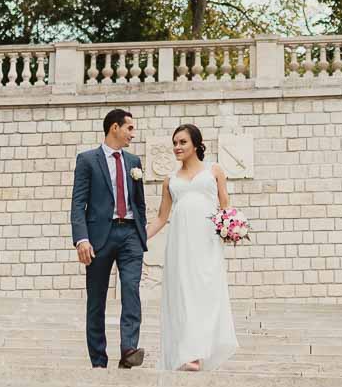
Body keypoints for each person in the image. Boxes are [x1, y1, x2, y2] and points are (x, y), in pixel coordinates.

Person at [147, 123, 239, 371]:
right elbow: (161, 217)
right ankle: (190, 354)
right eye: (175, 143)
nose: (177, 147)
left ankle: (203, 347)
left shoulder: (215, 170)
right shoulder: (170, 180)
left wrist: (232, 228)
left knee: (205, 293)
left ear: (196, 144)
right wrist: (138, 238)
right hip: (180, 244)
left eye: (182, 142)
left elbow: (225, 206)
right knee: (184, 293)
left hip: (207, 242)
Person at [70, 108, 148, 369]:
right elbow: (78, 203)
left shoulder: (134, 161)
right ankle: (99, 361)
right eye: (130, 129)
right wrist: (81, 239)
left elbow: (140, 202)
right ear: (114, 127)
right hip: (98, 237)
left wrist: (140, 232)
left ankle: (128, 350)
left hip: (130, 236)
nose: (132, 135)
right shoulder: (87, 160)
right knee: (96, 301)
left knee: (131, 289)